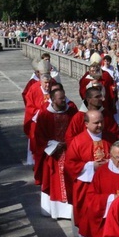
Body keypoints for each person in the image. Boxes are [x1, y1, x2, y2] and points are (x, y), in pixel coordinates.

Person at [63, 110, 111, 237]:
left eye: (101, 121)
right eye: (96, 123)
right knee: (86, 216)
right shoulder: (78, 142)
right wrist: (91, 166)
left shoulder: (110, 138)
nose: (100, 125)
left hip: (106, 186)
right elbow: (70, 165)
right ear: (86, 124)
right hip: (86, 186)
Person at [33, 88, 78, 219]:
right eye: (61, 98)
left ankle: (70, 212)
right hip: (53, 154)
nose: (64, 100)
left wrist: (70, 143)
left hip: (70, 152)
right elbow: (39, 136)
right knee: (54, 182)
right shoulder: (44, 115)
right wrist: (55, 144)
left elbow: (78, 130)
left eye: (64, 97)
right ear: (52, 99)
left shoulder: (72, 112)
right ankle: (55, 211)